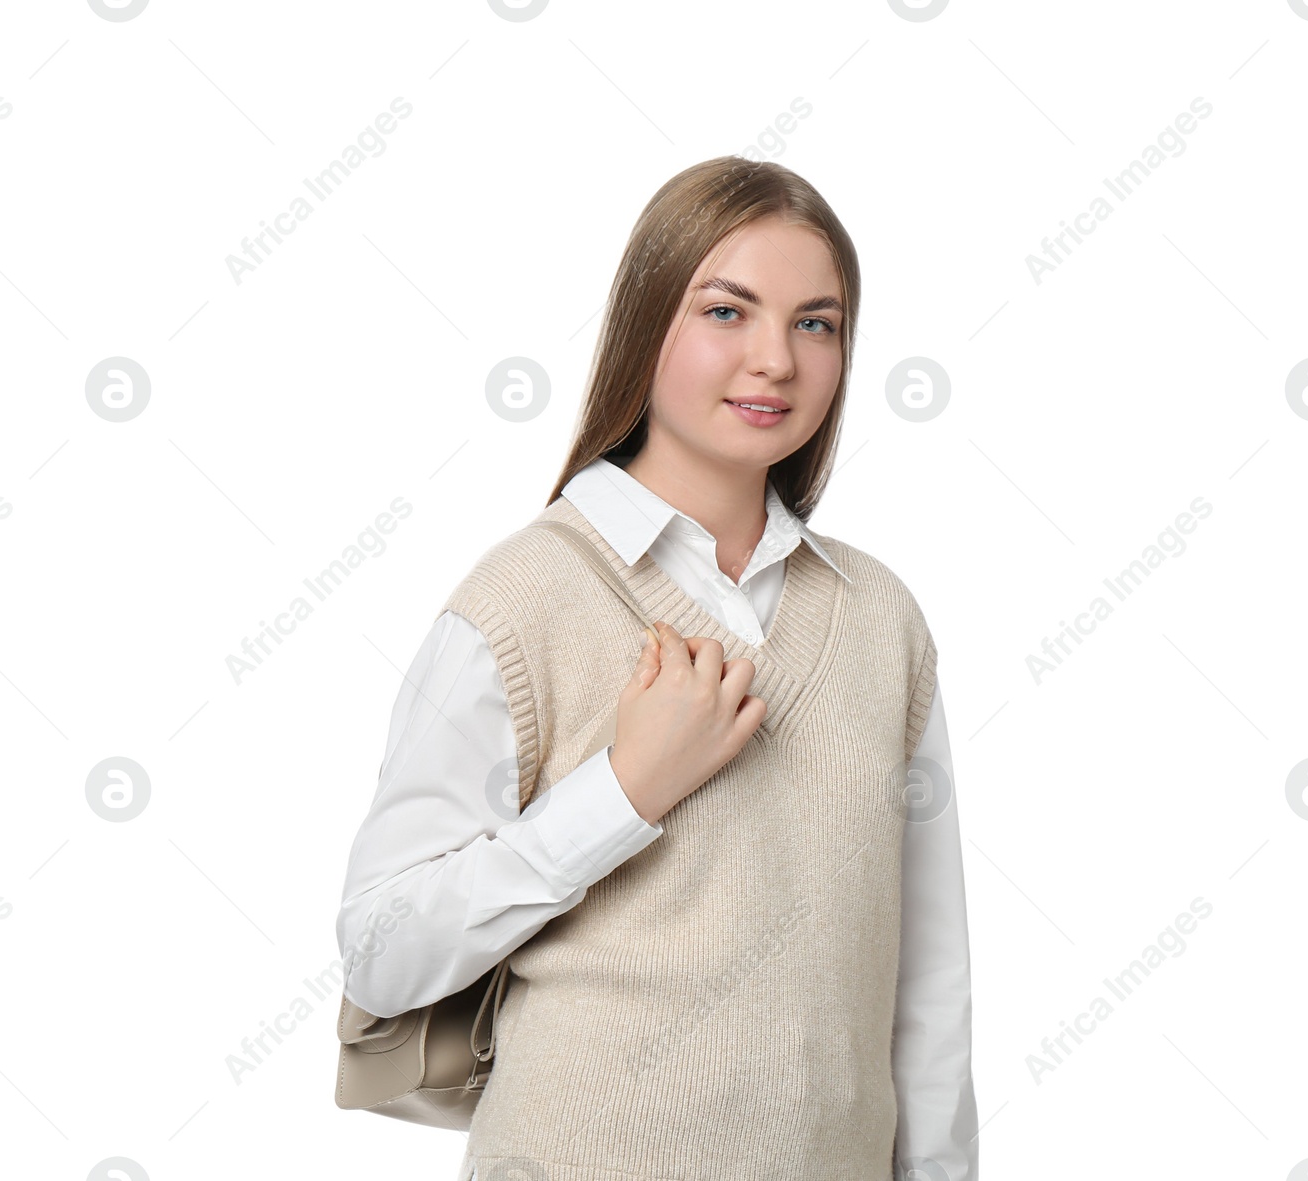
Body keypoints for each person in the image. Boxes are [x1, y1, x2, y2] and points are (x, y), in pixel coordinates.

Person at [335, 156, 977, 1180]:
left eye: (817, 322)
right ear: (645, 324)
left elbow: (926, 985)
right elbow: (381, 948)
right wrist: (622, 793)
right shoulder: (524, 597)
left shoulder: (879, 618)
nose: (776, 358)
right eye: (728, 311)